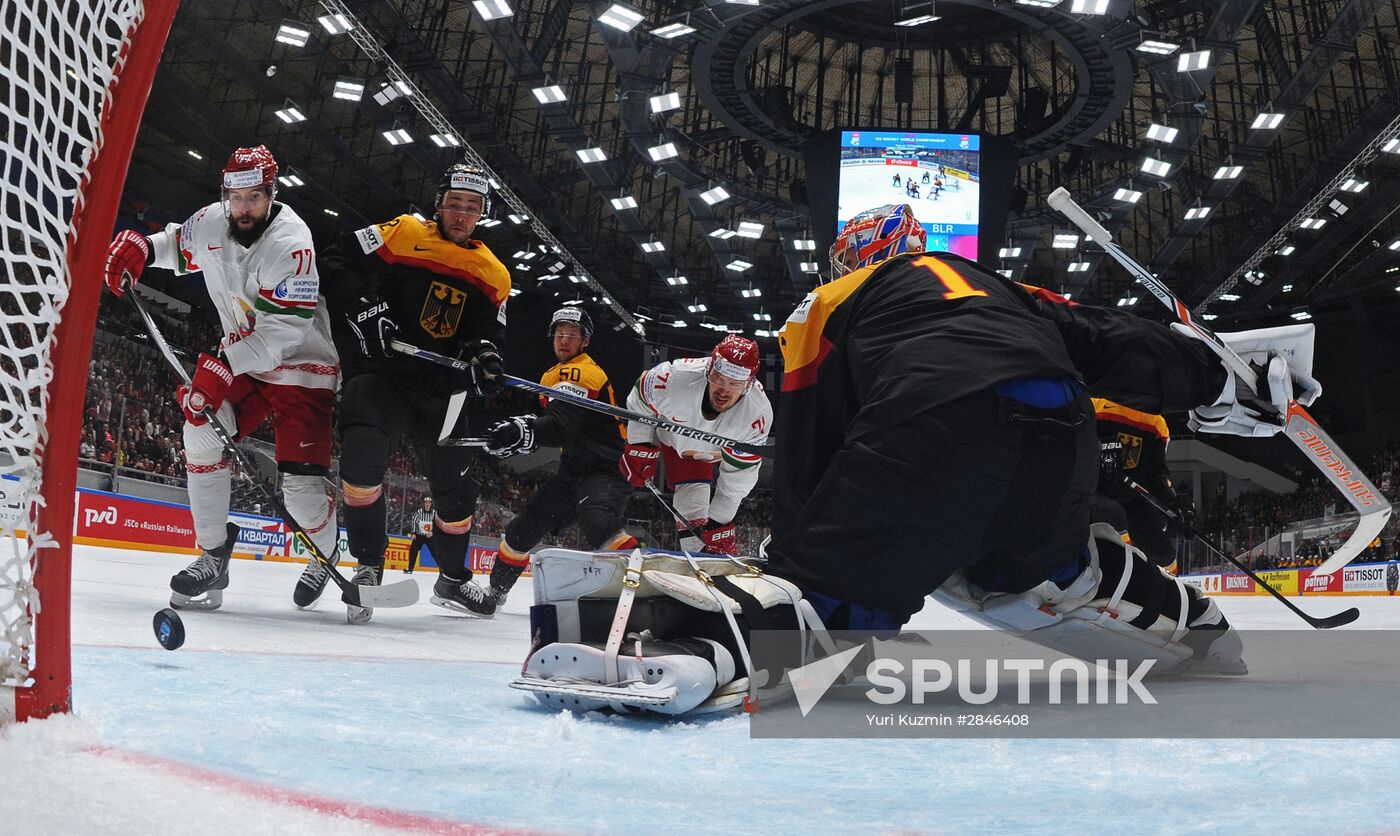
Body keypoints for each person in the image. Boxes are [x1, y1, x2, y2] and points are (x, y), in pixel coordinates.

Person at [764, 201, 1313, 669]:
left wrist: (798, 553)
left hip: (928, 426)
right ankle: (1198, 628)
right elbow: (1107, 337)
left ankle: (805, 631)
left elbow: (807, 437)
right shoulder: (995, 286)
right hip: (1061, 432)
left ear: (859, 254)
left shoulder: (828, 302)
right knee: (1034, 567)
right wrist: (1218, 378)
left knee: (835, 582)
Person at [103, 145, 341, 611]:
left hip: (301, 369)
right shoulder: (213, 220)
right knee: (200, 430)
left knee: (301, 496)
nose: (243, 208)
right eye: (235, 197)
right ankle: (214, 554)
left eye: (254, 197)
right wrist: (144, 248)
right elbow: (176, 244)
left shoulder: (293, 244)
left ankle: (325, 552)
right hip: (244, 357)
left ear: (271, 194)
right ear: (225, 195)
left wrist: (223, 366)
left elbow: (283, 335)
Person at [318, 162, 510, 623]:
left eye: (471, 207)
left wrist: (485, 354)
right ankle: (369, 563)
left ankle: (452, 580)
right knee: (361, 458)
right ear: (439, 203)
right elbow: (335, 257)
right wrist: (364, 307)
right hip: (383, 374)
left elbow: (488, 331)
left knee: (456, 496)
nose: (461, 214)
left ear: (481, 214)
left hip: (443, 390)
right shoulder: (402, 232)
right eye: (454, 203)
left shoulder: (495, 273)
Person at [480, 306, 637, 615]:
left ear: (585, 341)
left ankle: (643, 588)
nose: (564, 340)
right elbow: (558, 426)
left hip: (605, 469)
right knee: (523, 529)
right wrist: (522, 432)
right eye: (560, 333)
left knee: (599, 523)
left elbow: (562, 426)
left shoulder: (583, 372)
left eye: (572, 334)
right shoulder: (551, 375)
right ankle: (494, 592)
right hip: (572, 471)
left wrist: (524, 432)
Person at [619, 335, 772, 555]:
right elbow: (641, 394)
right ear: (709, 369)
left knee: (709, 519)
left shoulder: (757, 414)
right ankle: (696, 552)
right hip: (675, 439)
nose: (724, 390)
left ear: (748, 384)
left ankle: (702, 555)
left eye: (734, 384)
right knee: (690, 502)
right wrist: (639, 443)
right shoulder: (675, 377)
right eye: (719, 378)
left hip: (717, 451)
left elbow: (737, 479)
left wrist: (718, 524)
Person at [1092, 398, 1184, 570]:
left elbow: (1158, 474)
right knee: (1112, 515)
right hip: (1093, 493)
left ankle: (1167, 584)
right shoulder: (1094, 405)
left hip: (1133, 499)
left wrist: (1172, 503)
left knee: (1165, 555)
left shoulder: (1156, 422)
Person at [406, 496, 434, 575]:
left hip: (430, 536)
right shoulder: (419, 512)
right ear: (424, 504)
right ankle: (410, 568)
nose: (427, 504)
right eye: (426, 503)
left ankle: (442, 570)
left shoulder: (434, 513)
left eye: (429, 503)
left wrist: (433, 532)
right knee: (413, 551)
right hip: (419, 536)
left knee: (436, 552)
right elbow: (414, 521)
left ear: (431, 504)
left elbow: (437, 524)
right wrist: (414, 533)